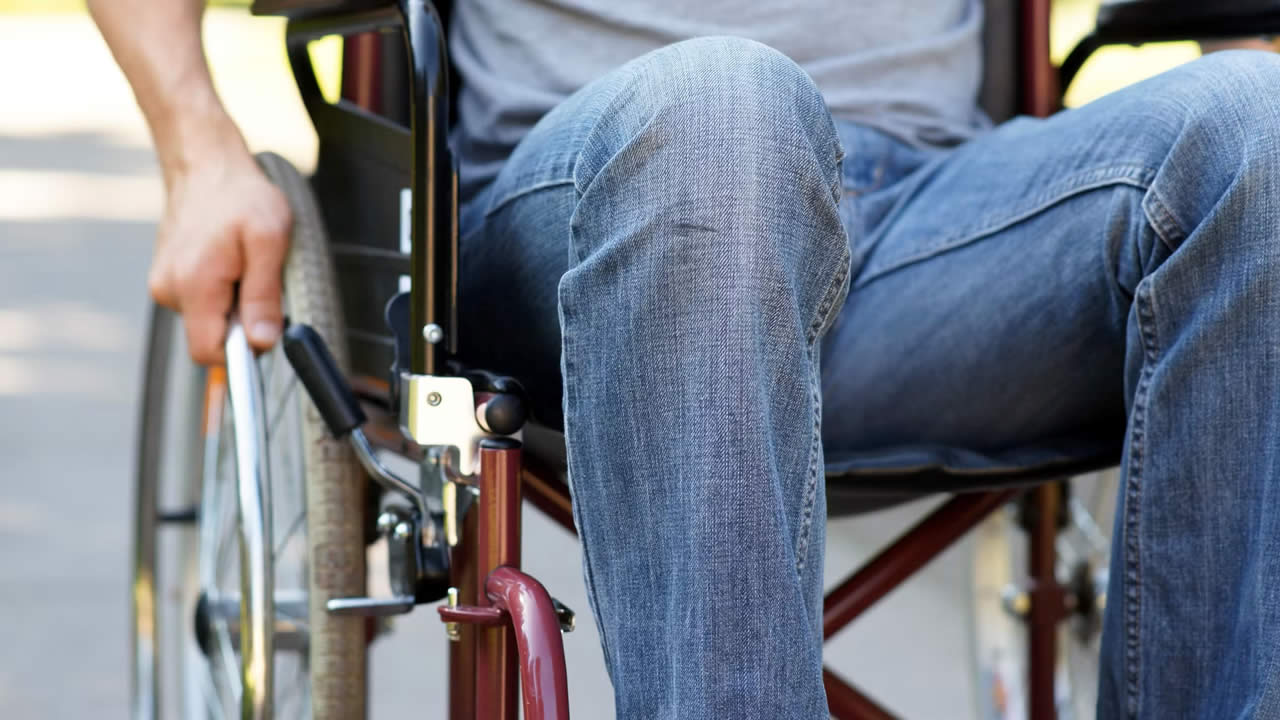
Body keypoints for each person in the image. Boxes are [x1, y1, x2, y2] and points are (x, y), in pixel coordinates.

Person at [91, 0, 1280, 717]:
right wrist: (197, 148)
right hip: (585, 208)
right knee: (719, 109)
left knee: (1259, 125)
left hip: (936, 230)